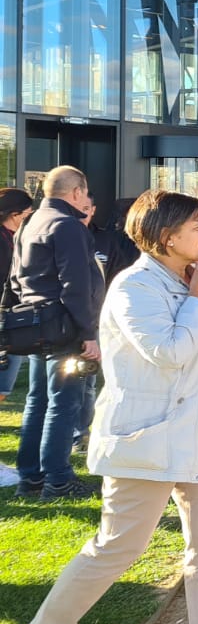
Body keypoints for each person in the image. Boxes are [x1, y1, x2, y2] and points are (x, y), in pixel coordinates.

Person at [8, 191, 198, 624]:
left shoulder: (194, 280)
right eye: (197, 228)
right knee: (118, 546)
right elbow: (169, 352)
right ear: (164, 236)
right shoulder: (136, 287)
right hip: (150, 435)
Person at [13, 166, 106, 501]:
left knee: (38, 401)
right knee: (62, 404)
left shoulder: (29, 222)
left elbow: (15, 279)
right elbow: (75, 286)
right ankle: (58, 480)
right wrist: (88, 333)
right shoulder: (67, 226)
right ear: (77, 192)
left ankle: (31, 478)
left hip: (36, 323)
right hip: (64, 325)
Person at [0, 188, 36, 486]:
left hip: (9, 322)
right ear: (15, 215)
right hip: (4, 321)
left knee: (3, 389)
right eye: (27, 214)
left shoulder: (14, 239)